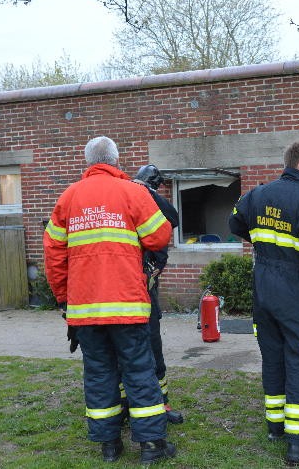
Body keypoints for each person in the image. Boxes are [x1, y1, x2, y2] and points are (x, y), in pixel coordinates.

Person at [43, 136, 177, 465]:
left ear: (88, 161)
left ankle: (109, 445)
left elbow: (53, 254)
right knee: (139, 371)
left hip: (84, 308)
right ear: (117, 160)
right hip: (127, 305)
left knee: (99, 373)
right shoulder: (133, 192)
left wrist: (63, 296)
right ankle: (151, 446)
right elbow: (160, 235)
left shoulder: (68, 197)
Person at [228, 139, 299, 465]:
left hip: (264, 291)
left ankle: (276, 427)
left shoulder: (257, 194)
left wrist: (264, 242)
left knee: (273, 359)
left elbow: (234, 222)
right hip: (296, 294)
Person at [132, 164, 184, 424]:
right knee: (145, 350)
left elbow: (171, 218)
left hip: (146, 284)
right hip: (133, 288)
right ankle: (139, 406)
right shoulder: (132, 197)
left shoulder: (147, 201)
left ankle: (161, 403)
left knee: (153, 350)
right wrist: (142, 190)